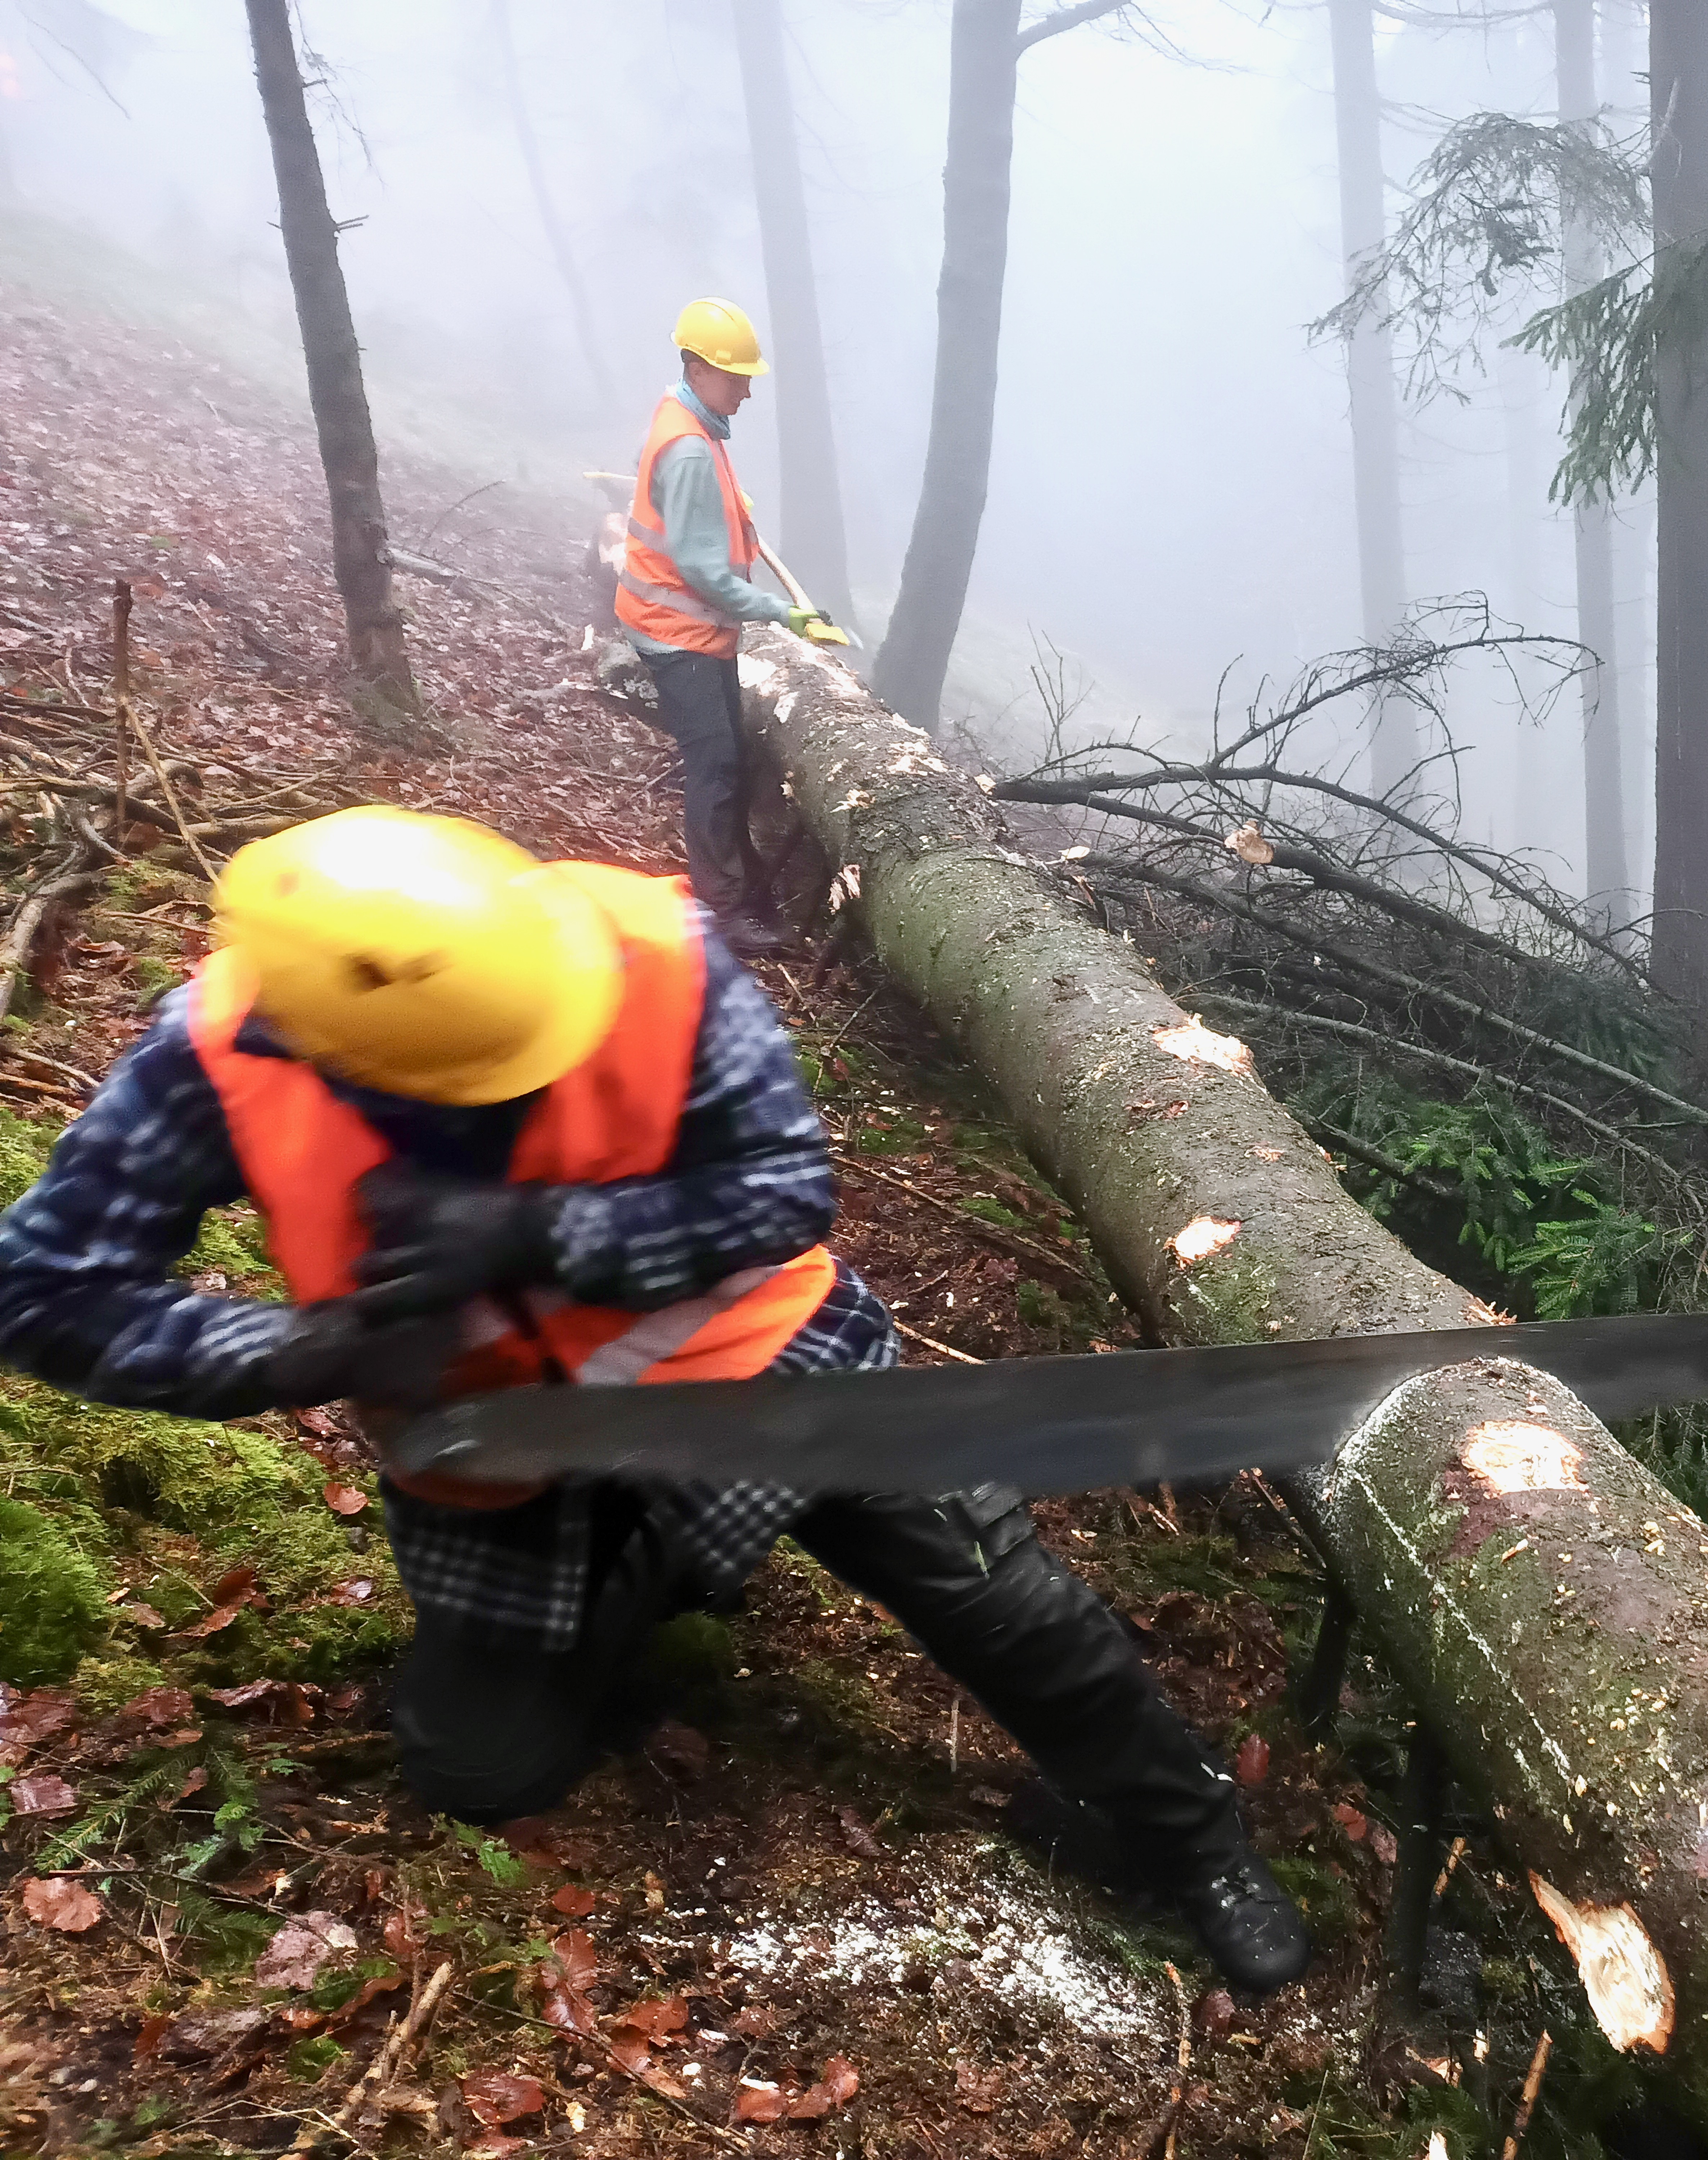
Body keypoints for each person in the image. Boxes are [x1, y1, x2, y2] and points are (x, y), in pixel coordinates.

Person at [0, 807, 1311, 1994]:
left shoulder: (654, 960)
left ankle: (1184, 1831)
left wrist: (537, 1233)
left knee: (991, 1588)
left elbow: (784, 1189)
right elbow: (44, 1290)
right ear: (321, 1049)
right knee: (480, 1770)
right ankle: (653, 1565)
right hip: (492, 1440)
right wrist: (293, 1355)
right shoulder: (219, 1053)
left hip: (756, 1362)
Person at [611, 297, 847, 961]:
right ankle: (723, 913)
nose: (746, 391)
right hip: (674, 632)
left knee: (729, 760)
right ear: (698, 366)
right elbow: (703, 574)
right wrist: (784, 614)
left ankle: (741, 890)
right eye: (736, 376)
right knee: (713, 767)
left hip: (693, 631)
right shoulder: (690, 446)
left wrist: (726, 508)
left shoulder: (689, 421)